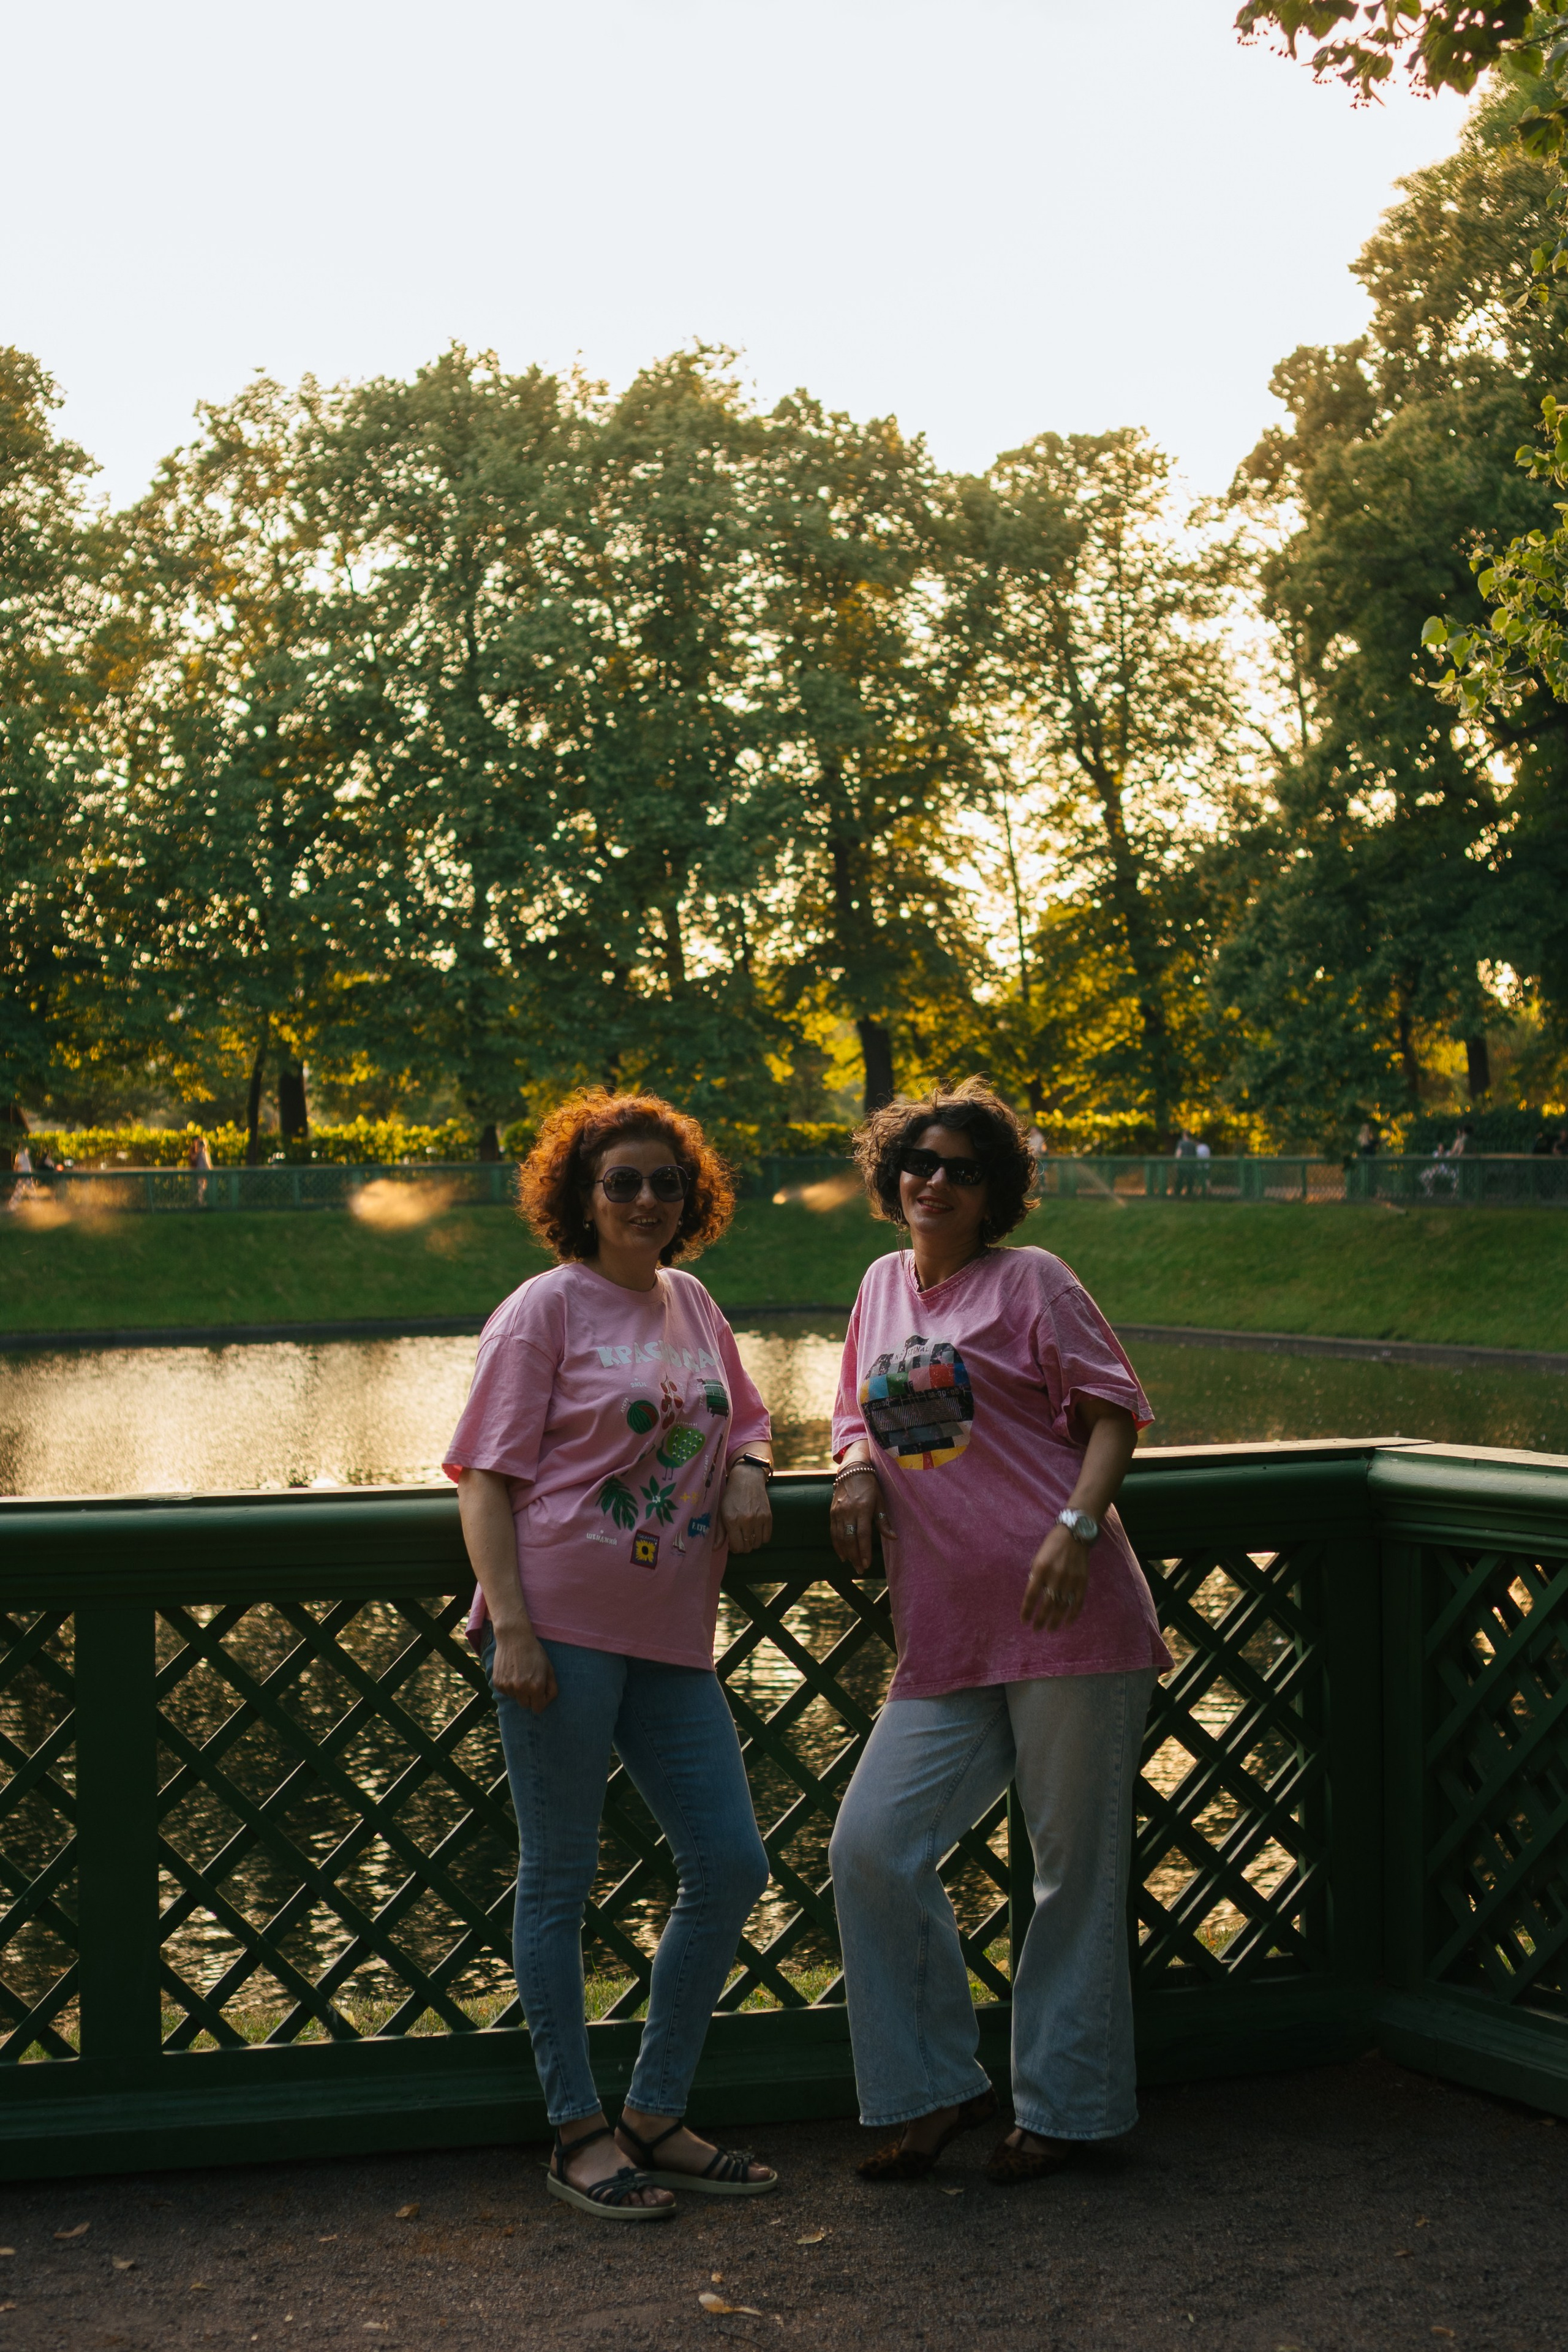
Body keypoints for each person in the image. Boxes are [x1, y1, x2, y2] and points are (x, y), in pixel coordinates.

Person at [826, 1078, 1170, 2188]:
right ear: (892, 1176)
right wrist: (851, 1470)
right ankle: (937, 2089)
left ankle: (1066, 2110)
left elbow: (1114, 1414)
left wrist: (1077, 1528)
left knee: (1071, 1877)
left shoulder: (1035, 1282)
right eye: (918, 1163)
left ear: (995, 1192)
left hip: (1072, 1616)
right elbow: (853, 1411)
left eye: (962, 1171)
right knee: (871, 1849)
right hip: (947, 1635)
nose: (934, 1183)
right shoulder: (880, 1286)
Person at [446, 1090, 781, 2222]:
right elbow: (484, 1480)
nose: (646, 1200)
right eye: (622, 1182)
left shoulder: (691, 1300)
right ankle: (577, 2132)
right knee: (559, 1878)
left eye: (665, 1183)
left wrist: (750, 1469)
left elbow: (745, 1416)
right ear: (581, 1198)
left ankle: (653, 2113)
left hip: (673, 1634)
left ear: (691, 1199)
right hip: (561, 1628)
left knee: (730, 1863)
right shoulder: (543, 1309)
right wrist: (513, 1626)